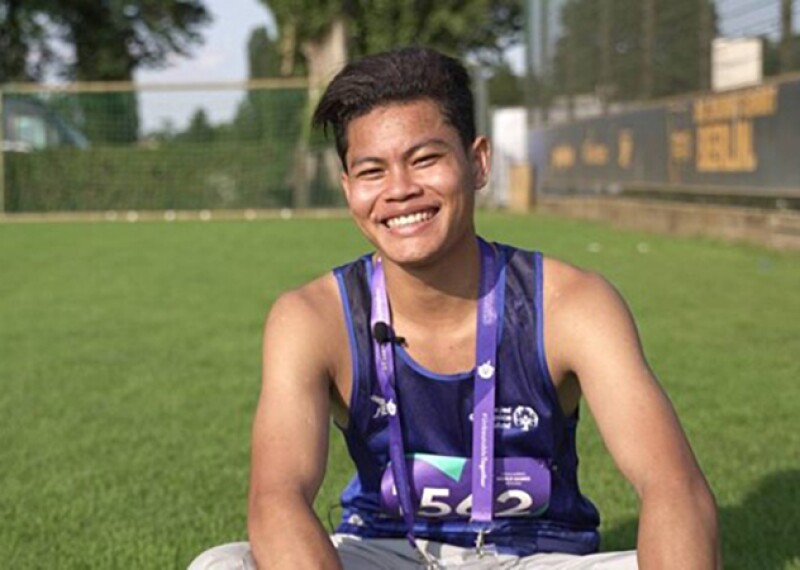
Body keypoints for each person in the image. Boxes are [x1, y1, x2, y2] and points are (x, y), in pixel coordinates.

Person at [189, 46, 720, 570]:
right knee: (223, 565)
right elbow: (276, 499)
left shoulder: (571, 304)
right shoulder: (311, 317)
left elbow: (673, 486)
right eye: (372, 171)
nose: (399, 190)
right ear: (349, 189)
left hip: (535, 557)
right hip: (383, 553)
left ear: (477, 161)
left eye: (425, 159)